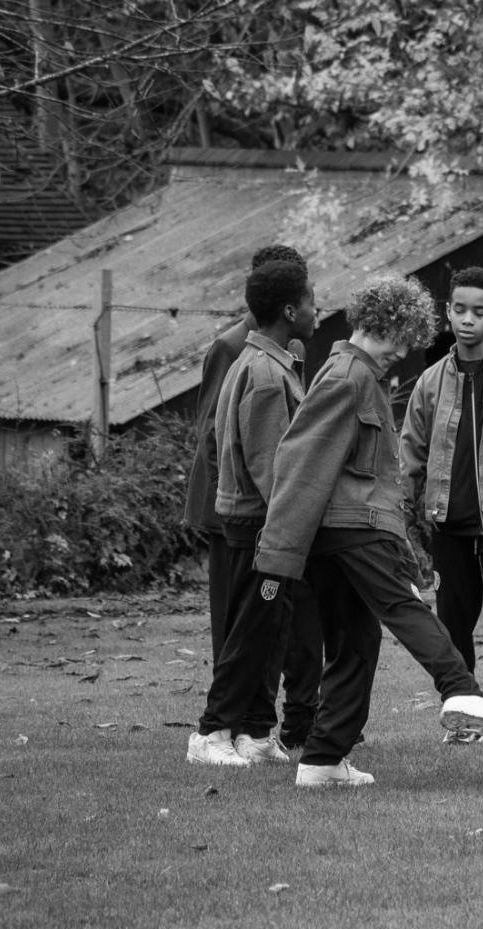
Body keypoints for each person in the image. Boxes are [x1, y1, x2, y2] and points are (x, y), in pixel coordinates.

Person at [254, 274, 483, 788]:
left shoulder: (362, 377)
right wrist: (277, 553)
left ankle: (322, 761)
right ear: (377, 326)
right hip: (349, 530)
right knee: (405, 607)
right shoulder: (346, 377)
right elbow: (297, 461)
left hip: (344, 531)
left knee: (354, 643)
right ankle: (459, 686)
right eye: (400, 341)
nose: (402, 355)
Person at [182, 244, 322, 749]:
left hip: (262, 521)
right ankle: (216, 731)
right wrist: (295, 518)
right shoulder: (257, 369)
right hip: (255, 523)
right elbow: (263, 460)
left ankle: (253, 732)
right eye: (310, 299)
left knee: (266, 626)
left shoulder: (274, 359)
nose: (317, 309)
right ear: (288, 308)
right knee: (247, 629)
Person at [400, 267, 483, 744]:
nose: (467, 320)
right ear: (447, 313)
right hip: (447, 522)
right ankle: (463, 713)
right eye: (459, 310)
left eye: (478, 311)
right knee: (454, 622)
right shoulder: (431, 381)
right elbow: (409, 454)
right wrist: (408, 520)